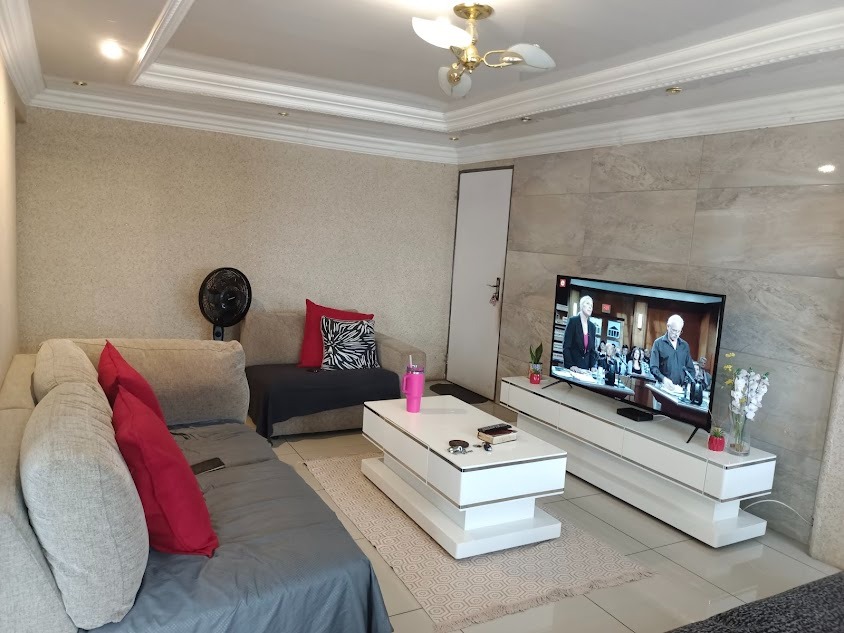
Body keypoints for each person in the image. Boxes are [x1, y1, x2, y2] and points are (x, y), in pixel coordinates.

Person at [649, 315, 695, 389]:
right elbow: (653, 367)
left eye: (679, 331)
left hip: (680, 389)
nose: (676, 334)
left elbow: (691, 370)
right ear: (668, 327)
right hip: (662, 386)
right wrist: (663, 379)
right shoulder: (658, 343)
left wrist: (688, 384)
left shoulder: (685, 346)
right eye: (674, 330)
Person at [562, 295, 598, 372]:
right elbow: (566, 347)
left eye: (591, 306)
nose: (590, 307)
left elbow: (592, 350)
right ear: (581, 305)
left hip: (585, 369)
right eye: (587, 303)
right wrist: (571, 365)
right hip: (572, 367)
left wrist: (592, 366)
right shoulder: (573, 321)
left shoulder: (592, 327)